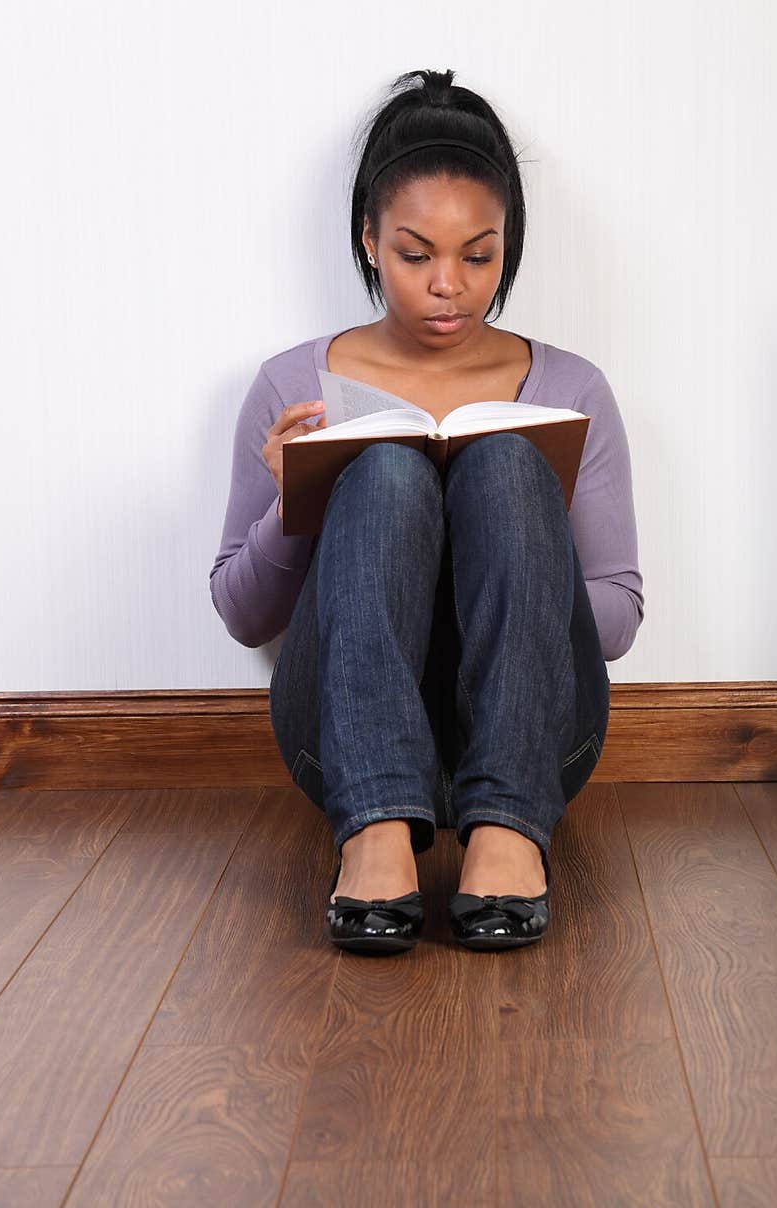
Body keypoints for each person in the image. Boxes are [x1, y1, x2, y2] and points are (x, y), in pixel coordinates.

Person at [209, 68, 644, 954]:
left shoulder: (573, 386)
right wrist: (298, 504)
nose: (449, 284)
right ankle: (372, 832)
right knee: (386, 475)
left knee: (508, 466)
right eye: (417, 255)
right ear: (370, 240)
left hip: (544, 734)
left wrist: (521, 539)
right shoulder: (293, 385)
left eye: (477, 256)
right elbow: (243, 615)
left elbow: (617, 623)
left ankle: (511, 832)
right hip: (336, 740)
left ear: (507, 245)